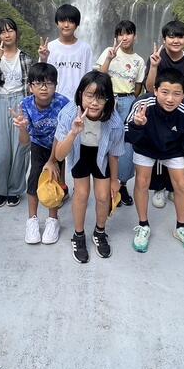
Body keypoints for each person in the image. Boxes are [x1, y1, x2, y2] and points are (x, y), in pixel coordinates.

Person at [125, 69, 184, 255]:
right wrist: (137, 125)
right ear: (155, 90)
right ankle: (143, 225)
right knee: (142, 182)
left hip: (173, 150)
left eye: (176, 94)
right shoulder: (142, 105)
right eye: (165, 92)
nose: (170, 99)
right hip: (145, 146)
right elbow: (127, 134)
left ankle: (181, 227)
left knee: (181, 184)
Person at [55, 72, 125, 263]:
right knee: (82, 194)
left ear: (108, 99)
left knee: (103, 197)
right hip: (80, 153)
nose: (94, 103)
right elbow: (59, 155)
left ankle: (100, 232)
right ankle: (78, 235)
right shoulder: (69, 114)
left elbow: (114, 153)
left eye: (100, 97)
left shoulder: (114, 122)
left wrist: (114, 180)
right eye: (89, 95)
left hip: (101, 155)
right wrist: (73, 133)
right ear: (80, 94)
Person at [143, 20, 184, 208]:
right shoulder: (157, 57)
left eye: (180, 37)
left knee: (178, 149)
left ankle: (174, 188)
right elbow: (149, 88)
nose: (176, 40)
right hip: (157, 112)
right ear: (164, 39)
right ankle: (159, 187)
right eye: (171, 36)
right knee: (158, 148)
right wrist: (153, 66)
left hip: (179, 113)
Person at [12, 62, 70, 245]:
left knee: (54, 179)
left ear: (56, 85)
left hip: (58, 145)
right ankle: (32, 220)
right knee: (34, 178)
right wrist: (22, 128)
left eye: (49, 83)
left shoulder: (63, 103)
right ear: (31, 87)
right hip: (37, 144)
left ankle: (53, 220)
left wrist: (52, 160)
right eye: (38, 83)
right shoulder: (25, 105)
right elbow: (25, 142)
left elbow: (62, 134)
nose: (44, 88)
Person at [0, 17, 33, 207]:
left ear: (16, 33)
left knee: (19, 149)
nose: (7, 34)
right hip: (0, 102)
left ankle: (15, 190)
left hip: (20, 102)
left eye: (10, 30)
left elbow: (31, 86)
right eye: (2, 31)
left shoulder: (26, 58)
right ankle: (0, 189)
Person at [95, 20, 145, 206]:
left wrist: (129, 101)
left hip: (128, 101)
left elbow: (138, 87)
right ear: (116, 37)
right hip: (108, 100)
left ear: (135, 36)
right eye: (120, 34)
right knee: (105, 140)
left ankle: (121, 184)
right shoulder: (109, 52)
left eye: (128, 33)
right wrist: (109, 59)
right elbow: (99, 77)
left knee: (126, 144)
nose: (124, 37)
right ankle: (105, 182)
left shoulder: (139, 61)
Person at [39, 4, 93, 102]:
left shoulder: (85, 48)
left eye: (71, 21)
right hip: (54, 100)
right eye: (62, 21)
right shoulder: (49, 48)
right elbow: (40, 76)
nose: (66, 25)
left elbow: (89, 77)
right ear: (57, 23)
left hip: (78, 101)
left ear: (77, 24)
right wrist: (43, 59)